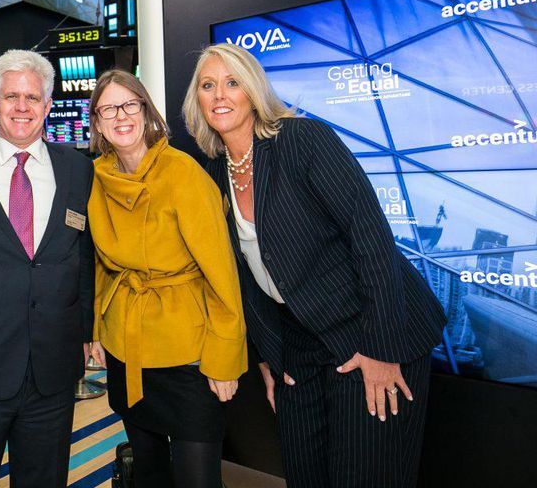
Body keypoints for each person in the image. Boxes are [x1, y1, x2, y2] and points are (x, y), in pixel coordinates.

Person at [183, 43, 447, 488]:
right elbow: (243, 276)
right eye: (208, 85)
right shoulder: (213, 172)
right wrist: (269, 357)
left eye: (232, 82)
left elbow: (372, 240)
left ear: (253, 91)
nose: (220, 95)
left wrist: (383, 349)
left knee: (366, 477)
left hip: (369, 330)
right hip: (297, 346)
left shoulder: (302, 141)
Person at [0, 50, 95, 488]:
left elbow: (83, 260)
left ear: (48, 105)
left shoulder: (79, 171)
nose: (22, 107)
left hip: (53, 371)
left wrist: (85, 333)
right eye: (11, 96)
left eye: (32, 97)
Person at [86, 70, 246, 488]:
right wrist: (98, 330)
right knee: (149, 474)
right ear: (98, 122)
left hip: (188, 356)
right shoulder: (97, 179)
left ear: (146, 112)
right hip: (128, 350)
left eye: (129, 105)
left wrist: (224, 359)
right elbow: (102, 267)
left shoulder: (183, 173)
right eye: (108, 109)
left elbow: (221, 272)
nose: (121, 116)